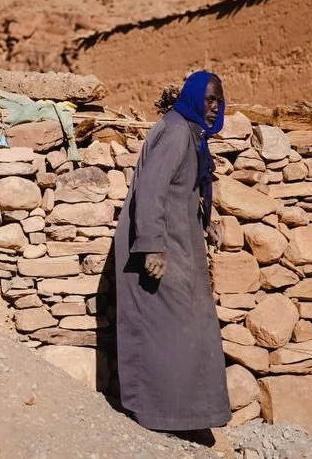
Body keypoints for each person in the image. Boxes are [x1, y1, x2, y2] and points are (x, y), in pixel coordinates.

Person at [113, 70, 232, 437]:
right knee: (166, 329)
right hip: (161, 246)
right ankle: (158, 415)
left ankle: (182, 415)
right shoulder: (177, 132)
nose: (214, 108)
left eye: (219, 101)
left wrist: (206, 222)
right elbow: (151, 190)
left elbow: (184, 188)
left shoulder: (190, 133)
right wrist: (152, 245)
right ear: (193, 97)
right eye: (209, 99)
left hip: (180, 242)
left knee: (184, 328)